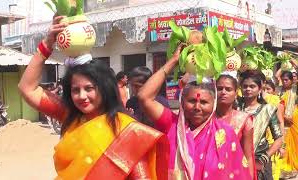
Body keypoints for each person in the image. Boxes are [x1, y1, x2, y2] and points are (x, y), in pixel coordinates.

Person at [18, 16, 169, 180]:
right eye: (75, 90)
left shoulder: (126, 130)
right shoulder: (69, 115)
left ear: (104, 89)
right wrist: (47, 44)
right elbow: (27, 89)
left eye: (89, 88)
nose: (82, 96)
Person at [138, 45, 251, 180]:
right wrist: (173, 61)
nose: (197, 107)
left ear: (214, 103)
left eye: (204, 102)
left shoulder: (225, 133)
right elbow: (144, 97)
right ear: (182, 102)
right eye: (192, 101)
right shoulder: (171, 124)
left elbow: (239, 174)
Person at [239, 70, 283, 180]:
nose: (248, 89)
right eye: (245, 86)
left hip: (259, 160)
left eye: (252, 86)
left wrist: (264, 158)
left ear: (259, 89)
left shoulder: (268, 110)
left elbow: (278, 139)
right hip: (237, 158)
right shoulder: (236, 108)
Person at [215, 74, 255, 178]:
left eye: (228, 89)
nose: (223, 92)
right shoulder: (206, 118)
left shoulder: (244, 120)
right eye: (219, 89)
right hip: (209, 172)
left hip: (234, 173)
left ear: (236, 93)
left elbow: (248, 156)